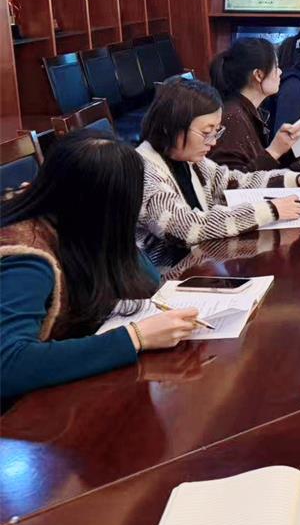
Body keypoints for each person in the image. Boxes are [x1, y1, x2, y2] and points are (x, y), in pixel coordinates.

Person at [0, 131, 202, 403]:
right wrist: (135, 338)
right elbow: (8, 364)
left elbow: (148, 282)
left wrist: (118, 236)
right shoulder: (26, 257)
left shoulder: (78, 225)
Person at [137, 77, 300, 246]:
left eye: (216, 132)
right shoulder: (145, 171)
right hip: (166, 272)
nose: (213, 142)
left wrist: (295, 180)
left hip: (200, 260)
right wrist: (270, 210)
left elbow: (234, 182)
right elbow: (185, 227)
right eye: (206, 133)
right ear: (171, 127)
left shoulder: (190, 159)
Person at [207, 37, 300, 173]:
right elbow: (233, 179)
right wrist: (274, 151)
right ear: (258, 75)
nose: (280, 72)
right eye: (276, 67)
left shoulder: (249, 111)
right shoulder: (232, 117)